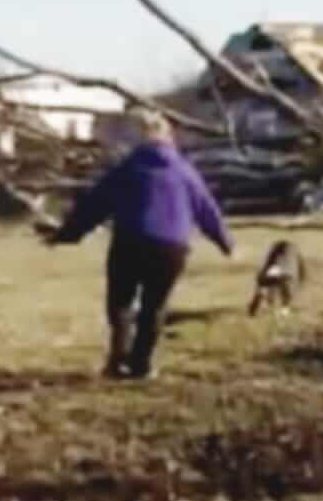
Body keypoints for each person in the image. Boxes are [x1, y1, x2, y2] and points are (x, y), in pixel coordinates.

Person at [47, 107, 235, 380]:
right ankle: (142, 364)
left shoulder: (128, 169)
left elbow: (95, 205)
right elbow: (207, 210)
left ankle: (118, 360)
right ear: (170, 139)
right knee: (154, 307)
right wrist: (225, 242)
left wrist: (68, 234)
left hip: (131, 241)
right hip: (172, 247)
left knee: (121, 303)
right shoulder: (185, 171)